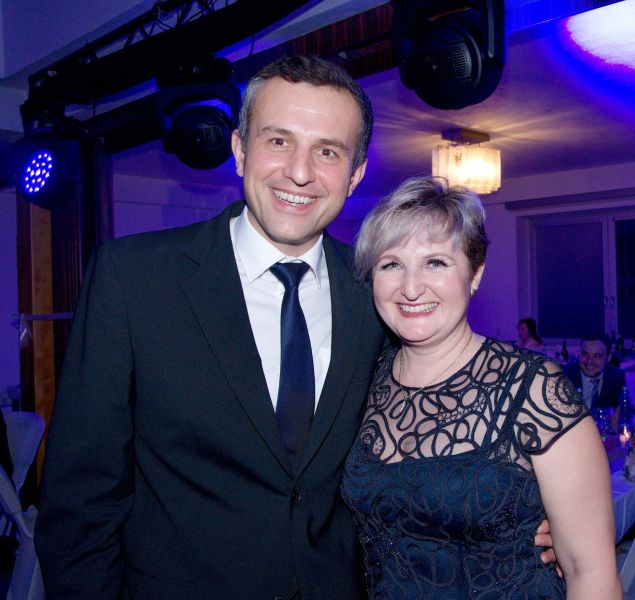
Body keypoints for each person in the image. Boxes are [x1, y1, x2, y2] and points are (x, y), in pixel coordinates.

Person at [34, 56, 556, 599]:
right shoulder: (134, 278)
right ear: (240, 149)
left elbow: (431, 428)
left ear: (355, 174)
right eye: (279, 141)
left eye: (327, 151)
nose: (300, 172)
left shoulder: (378, 292)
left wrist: (530, 514)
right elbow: (80, 500)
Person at [341, 176, 621, 599]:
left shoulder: (533, 388)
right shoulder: (361, 378)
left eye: (436, 262)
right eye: (391, 264)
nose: (411, 287)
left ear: (475, 273)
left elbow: (591, 572)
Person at [566, 333, 626, 429]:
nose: (589, 361)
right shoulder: (566, 376)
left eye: (597, 356)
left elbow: (622, 412)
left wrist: (619, 419)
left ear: (609, 357)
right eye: (585, 354)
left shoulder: (616, 377)